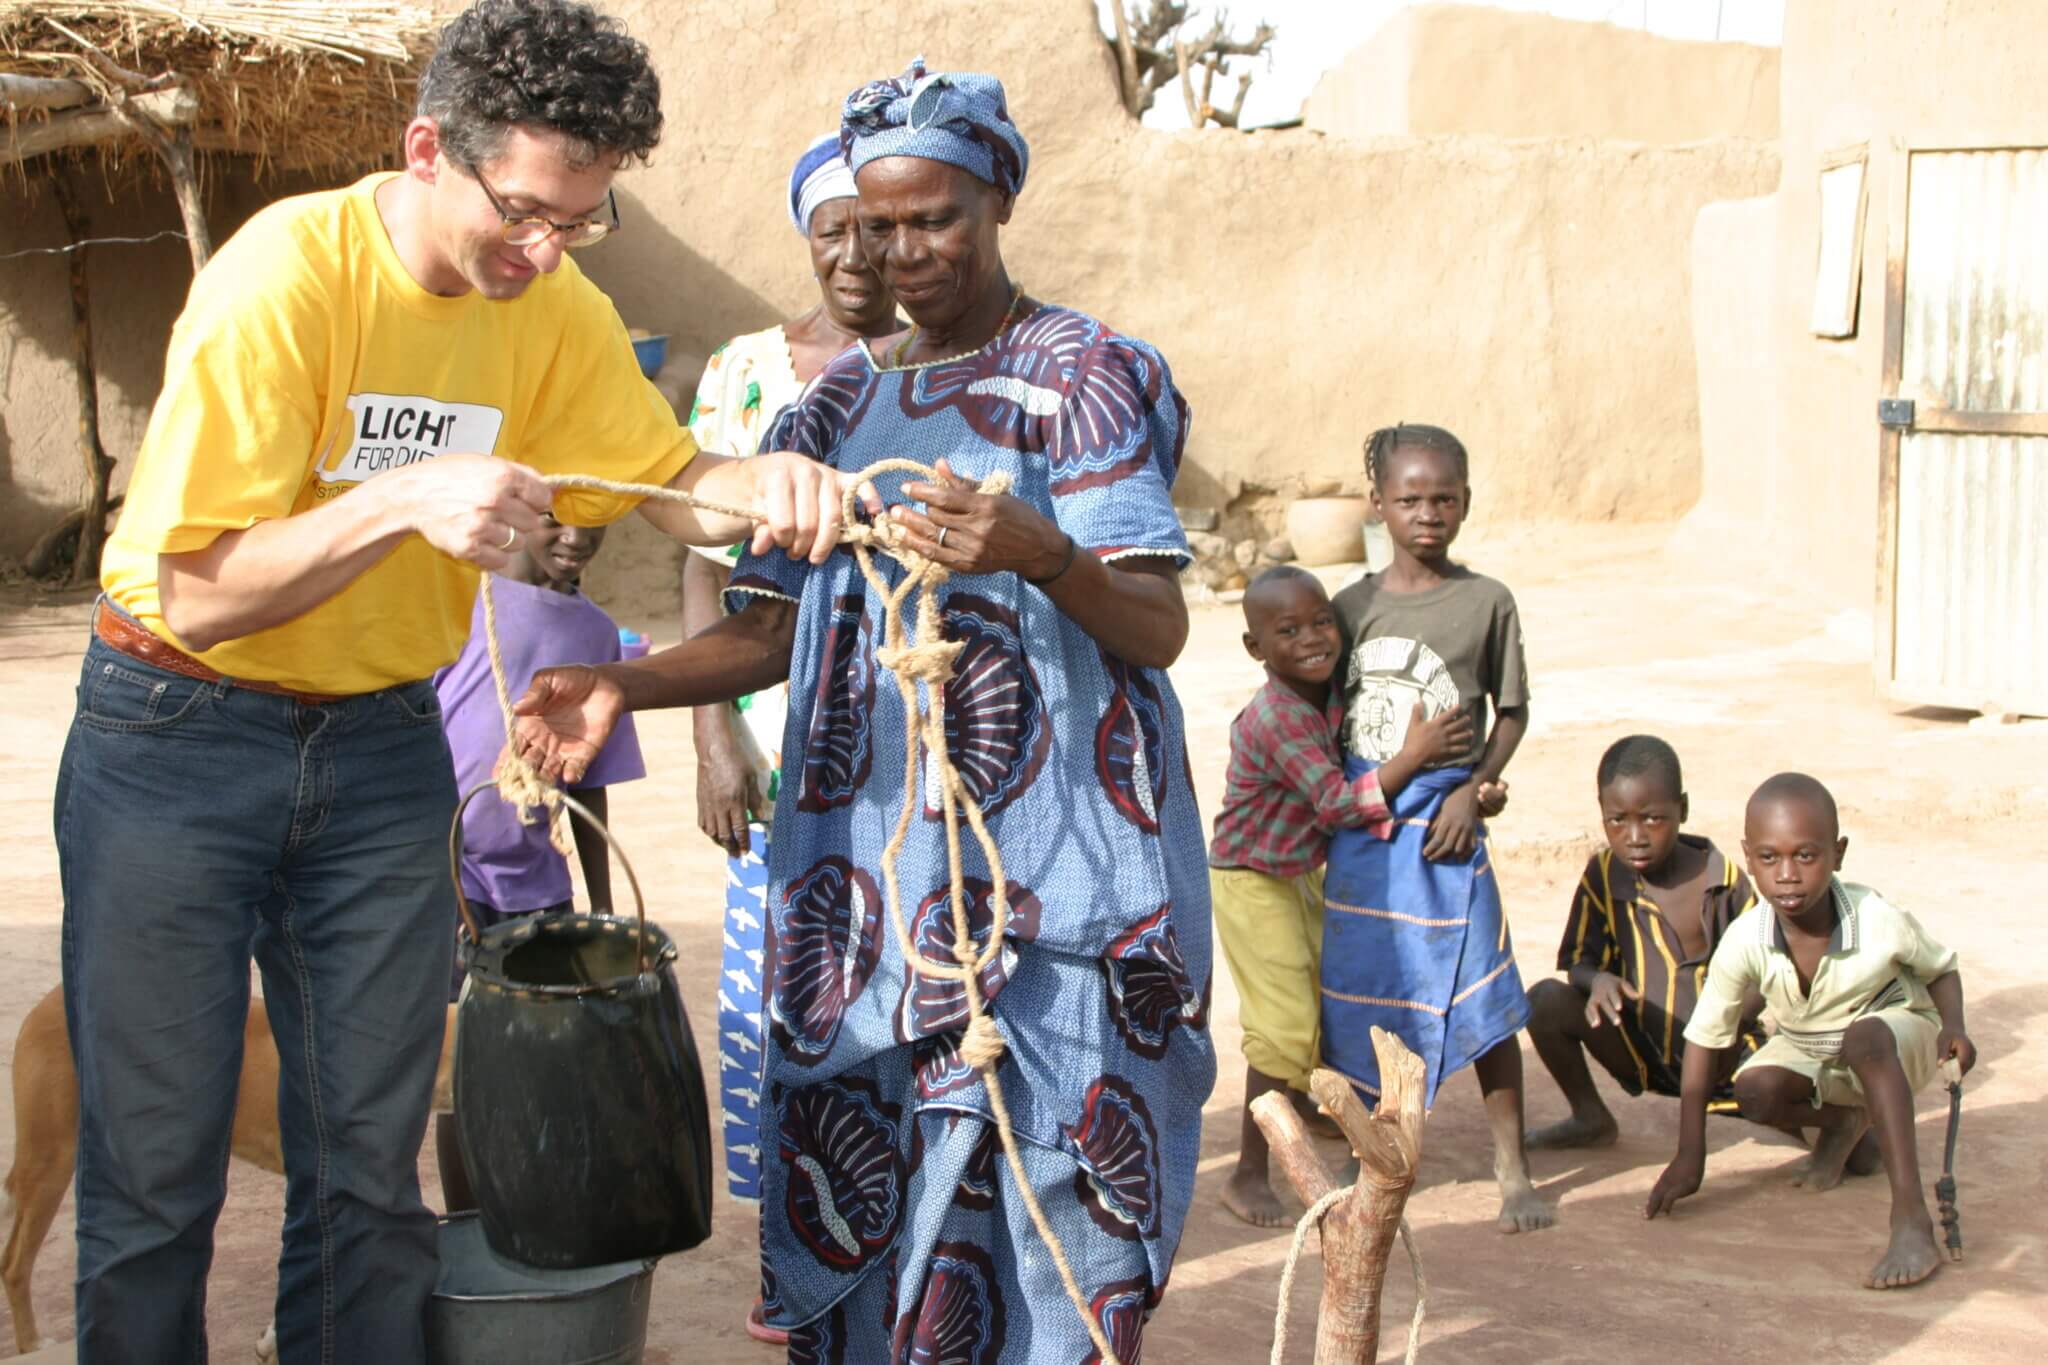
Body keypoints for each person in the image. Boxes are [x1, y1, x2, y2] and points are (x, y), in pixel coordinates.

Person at [52, 1, 857, 1358]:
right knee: (153, 1179)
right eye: (526, 211)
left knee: (371, 1171)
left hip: (378, 753)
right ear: (428, 148)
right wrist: (399, 503)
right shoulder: (286, 280)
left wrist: (756, 481)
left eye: (582, 221)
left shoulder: (551, 307)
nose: (545, 252)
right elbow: (191, 589)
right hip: (176, 738)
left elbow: (669, 485)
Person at [513, 60, 1215, 1360]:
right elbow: (766, 629)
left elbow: (1156, 623)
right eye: (879, 225)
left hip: (1059, 877)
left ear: (998, 197)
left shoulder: (1089, 377)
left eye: (935, 217)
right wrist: (627, 680)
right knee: (878, 1210)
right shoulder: (833, 408)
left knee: (1055, 1217)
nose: (906, 251)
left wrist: (1036, 549)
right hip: (874, 893)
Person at [679, 131, 902, 1346]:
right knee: (782, 1009)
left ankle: (902, 1246)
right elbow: (705, 564)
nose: (857, 252)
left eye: (879, 226)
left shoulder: (939, 365)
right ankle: (792, 1258)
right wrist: (716, 744)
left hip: (913, 761)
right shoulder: (749, 370)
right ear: (805, 237)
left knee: (902, 998)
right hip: (781, 751)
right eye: (834, 229)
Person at [1319, 422, 1547, 1233]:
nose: (1428, 513)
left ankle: (1511, 1162)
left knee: (1483, 990)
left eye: (1444, 498)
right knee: (1361, 989)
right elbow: (1323, 720)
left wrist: (1474, 790)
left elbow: (1512, 713)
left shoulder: (1487, 603)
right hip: (1366, 829)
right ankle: (1369, 1157)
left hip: (1447, 823)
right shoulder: (1348, 607)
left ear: (1467, 503)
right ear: (1377, 504)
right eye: (1410, 498)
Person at [1208, 566, 1472, 1226]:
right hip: (1252, 878)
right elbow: (1333, 801)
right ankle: (1247, 1171)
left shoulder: (1327, 692)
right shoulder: (1277, 716)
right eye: (1287, 630)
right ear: (1255, 648)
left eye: (1322, 622)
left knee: (1322, 997)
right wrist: (1414, 755)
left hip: (1297, 871)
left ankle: (1298, 1108)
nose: (1312, 639)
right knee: (1280, 1023)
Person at [1647, 773, 1975, 1290]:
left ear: (1838, 853)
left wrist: (1953, 1027)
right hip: (1814, 1046)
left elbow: (1940, 968)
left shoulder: (1877, 918)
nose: (1787, 875)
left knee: (1865, 1037)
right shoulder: (1746, 939)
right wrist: (1691, 1153)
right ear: (1748, 859)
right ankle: (1847, 1123)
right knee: (1755, 1090)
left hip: (1894, 1039)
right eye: (1770, 858)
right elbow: (1706, 1037)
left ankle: (1911, 1220)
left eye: (1806, 856)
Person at [429, 511, 642, 1208]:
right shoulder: (461, 595)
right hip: (446, 884)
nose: (575, 536)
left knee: (538, 1065)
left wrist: (602, 904)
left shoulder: (597, 634)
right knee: (460, 1070)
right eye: (556, 517)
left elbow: (592, 781)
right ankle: (468, 1217)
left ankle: (522, 1211)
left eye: (596, 520)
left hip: (536, 890)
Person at [1526, 735, 1767, 1149]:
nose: (1634, 836)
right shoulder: (1603, 875)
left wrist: (1719, 1028)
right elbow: (1578, 962)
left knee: (1779, 1093)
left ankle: (1838, 1134)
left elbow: (1763, 975)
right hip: (1639, 1050)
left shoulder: (1722, 882)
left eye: (1652, 819)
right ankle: (1590, 1114)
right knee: (1544, 1001)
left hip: (1721, 1058)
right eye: (1616, 821)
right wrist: (1597, 980)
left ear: (1683, 809)